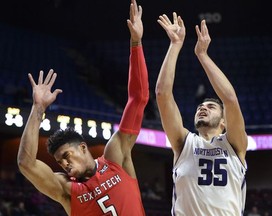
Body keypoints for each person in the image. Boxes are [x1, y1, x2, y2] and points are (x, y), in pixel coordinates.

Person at [17, 0, 149, 215]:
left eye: (67, 155)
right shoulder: (66, 189)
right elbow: (26, 164)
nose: (65, 164)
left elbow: (138, 98)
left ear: (83, 147)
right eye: (60, 161)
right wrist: (38, 109)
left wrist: (136, 43)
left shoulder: (115, 157)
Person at [155, 13, 248, 216]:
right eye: (200, 106)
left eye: (211, 107)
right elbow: (162, 94)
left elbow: (230, 99)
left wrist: (202, 55)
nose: (202, 108)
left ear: (224, 122)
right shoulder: (184, 143)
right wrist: (175, 45)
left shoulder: (234, 144)